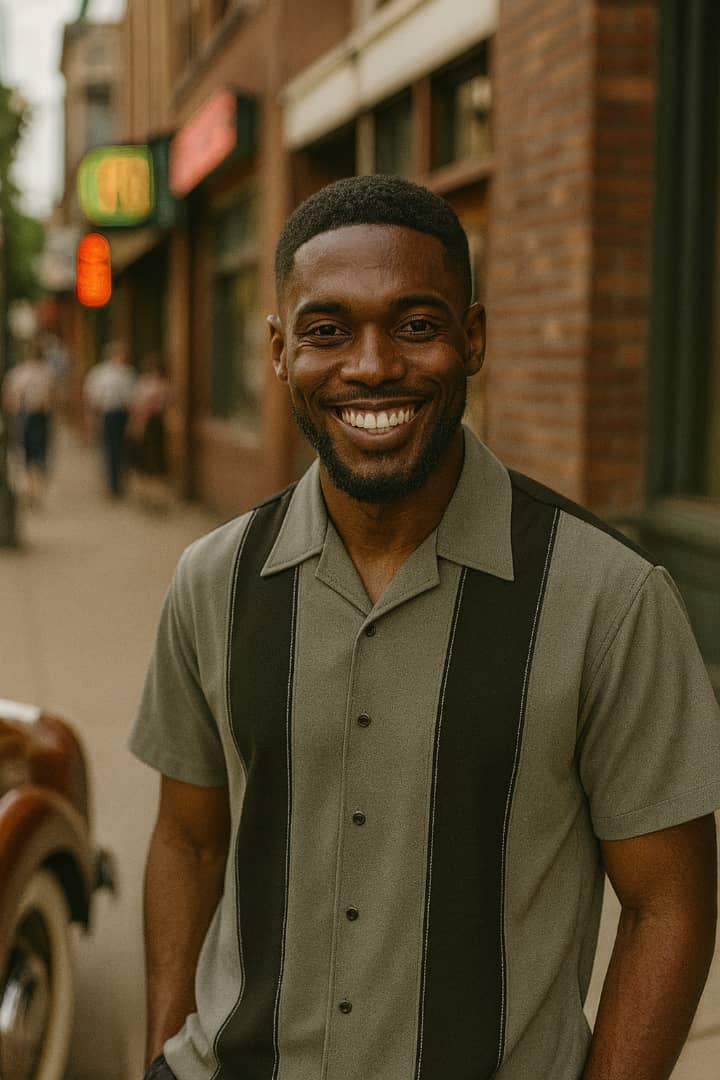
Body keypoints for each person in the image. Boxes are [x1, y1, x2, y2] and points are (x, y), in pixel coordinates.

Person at [130, 175, 720, 1080]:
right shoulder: (213, 581)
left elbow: (667, 907)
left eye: (415, 324)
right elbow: (189, 839)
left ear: (472, 338)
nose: (371, 367)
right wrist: (162, 1053)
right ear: (281, 353)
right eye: (328, 331)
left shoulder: (611, 598)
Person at [1, 340, 57, 505]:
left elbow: (9, 397)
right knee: (36, 453)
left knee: (28, 452)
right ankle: (34, 488)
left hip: (28, 415)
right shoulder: (45, 372)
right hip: (35, 415)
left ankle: (32, 487)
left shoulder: (20, 372)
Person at [83, 340, 136, 497]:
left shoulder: (128, 373)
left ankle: (120, 481)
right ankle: (112, 484)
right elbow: (92, 398)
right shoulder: (100, 374)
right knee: (110, 449)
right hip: (109, 413)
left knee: (121, 450)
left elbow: (133, 398)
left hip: (123, 413)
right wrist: (92, 419)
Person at [126, 353, 173, 510]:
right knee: (148, 460)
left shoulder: (154, 386)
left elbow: (143, 409)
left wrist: (137, 427)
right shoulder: (155, 385)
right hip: (153, 425)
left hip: (151, 426)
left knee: (151, 460)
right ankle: (148, 494)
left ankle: (153, 495)